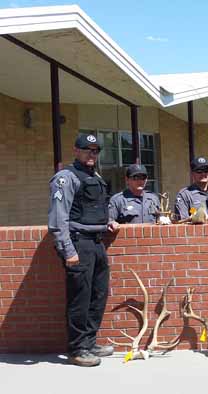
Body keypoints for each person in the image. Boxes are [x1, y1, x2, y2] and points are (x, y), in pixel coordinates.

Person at [48, 134, 120, 367]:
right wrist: (68, 251)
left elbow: (93, 206)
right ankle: (77, 348)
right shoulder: (65, 178)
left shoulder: (94, 176)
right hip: (79, 244)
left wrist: (108, 220)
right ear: (76, 150)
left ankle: (89, 342)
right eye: (87, 149)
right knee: (80, 298)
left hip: (97, 242)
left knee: (98, 295)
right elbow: (59, 219)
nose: (92, 154)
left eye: (96, 150)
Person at [175, 156, 208, 221]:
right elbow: (183, 222)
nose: (203, 173)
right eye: (199, 171)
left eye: (206, 170)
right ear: (192, 174)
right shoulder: (184, 195)